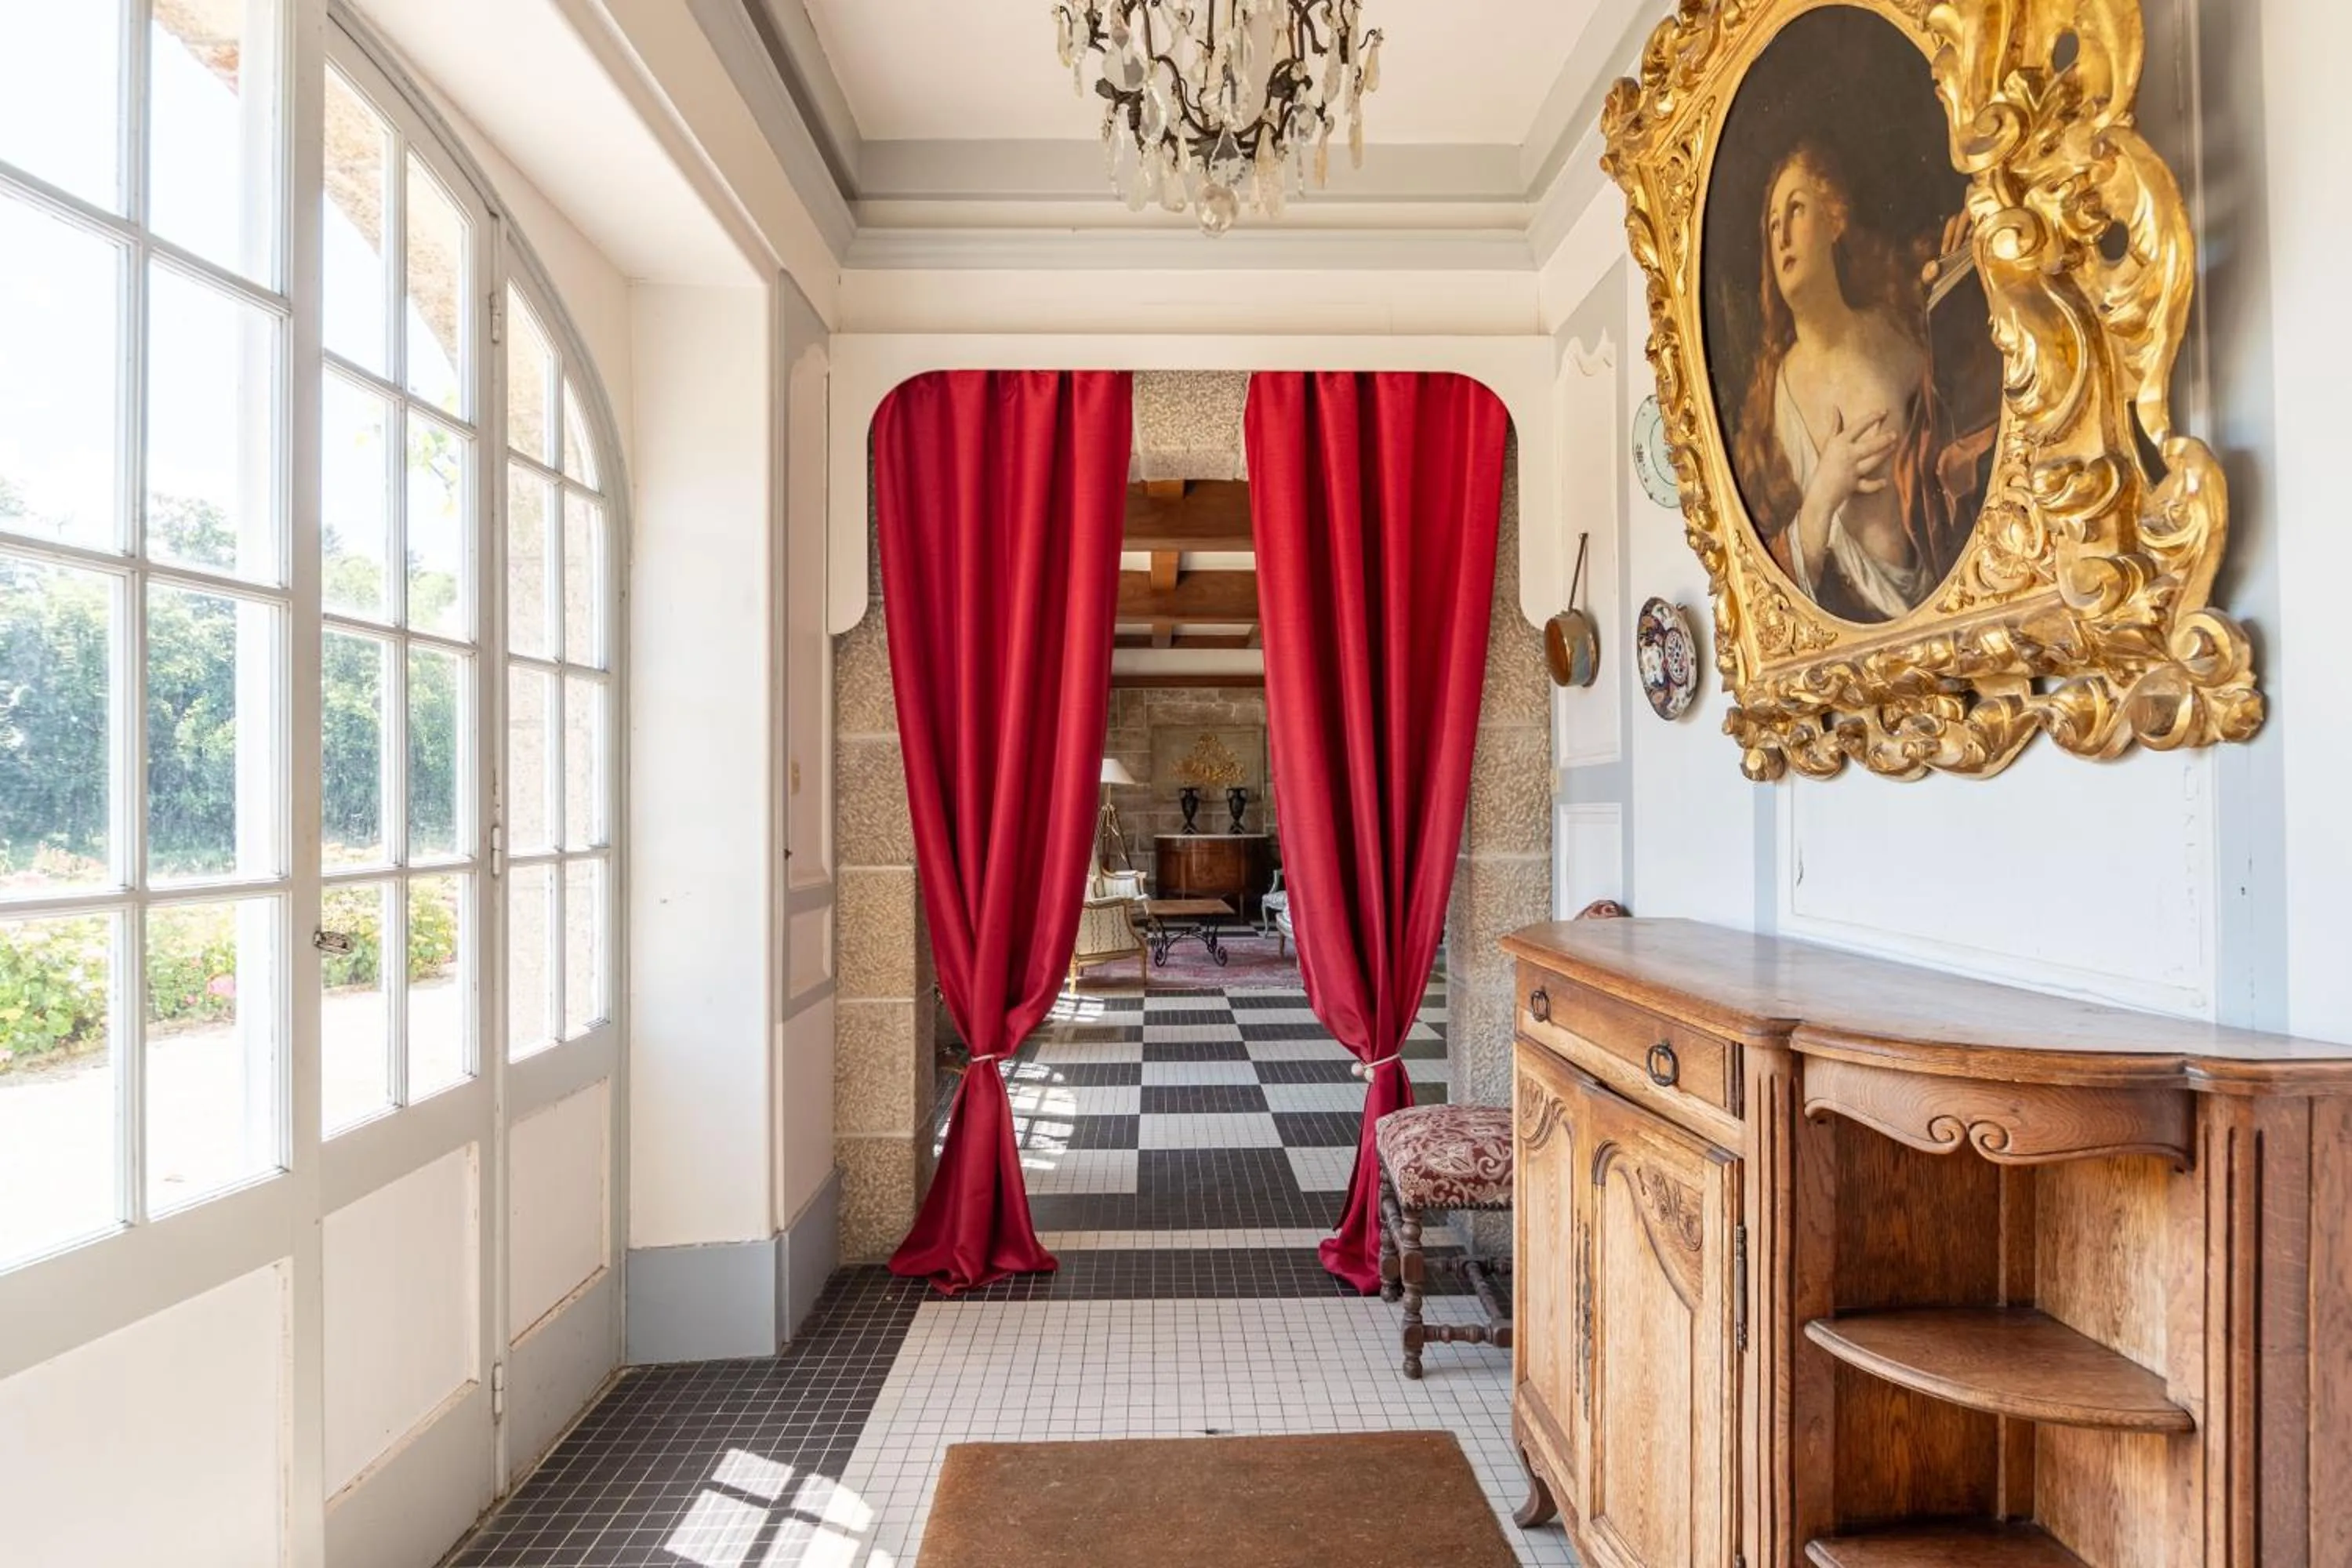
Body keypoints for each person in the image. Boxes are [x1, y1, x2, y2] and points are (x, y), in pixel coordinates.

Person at [1730, 140, 1989, 623]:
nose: (1782, 234)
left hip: (1954, 594)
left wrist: (1970, 270)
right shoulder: (1773, 402)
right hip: (1858, 625)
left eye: (1797, 209)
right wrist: (1824, 494)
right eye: (1772, 226)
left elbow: (1969, 408)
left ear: (1834, 220)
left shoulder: (1898, 323)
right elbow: (1761, 598)